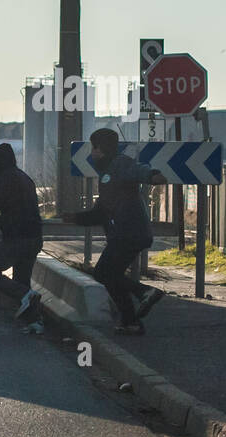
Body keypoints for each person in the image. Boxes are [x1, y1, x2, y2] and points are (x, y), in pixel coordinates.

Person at [60, 128, 166, 334]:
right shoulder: (108, 173)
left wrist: (153, 175)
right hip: (126, 233)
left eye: (94, 148)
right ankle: (131, 322)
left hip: (130, 233)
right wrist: (75, 217)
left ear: (102, 148)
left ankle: (146, 292)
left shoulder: (119, 165)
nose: (92, 153)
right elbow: (101, 212)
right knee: (110, 275)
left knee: (104, 273)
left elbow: (139, 171)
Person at [0, 143, 44, 331]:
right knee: (22, 279)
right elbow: (19, 208)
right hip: (34, 237)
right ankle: (35, 322)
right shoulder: (24, 177)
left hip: (16, 238)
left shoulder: (5, 178)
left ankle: (26, 296)